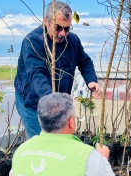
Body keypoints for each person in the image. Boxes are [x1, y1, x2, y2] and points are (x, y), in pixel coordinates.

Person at [14, 1, 100, 138]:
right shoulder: (32, 42)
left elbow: (84, 61)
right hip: (33, 102)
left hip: (58, 104)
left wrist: (91, 80)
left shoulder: (72, 40)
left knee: (59, 140)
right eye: (58, 28)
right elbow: (37, 74)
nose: (62, 34)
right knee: (41, 141)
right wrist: (53, 100)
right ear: (46, 21)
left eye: (67, 28)